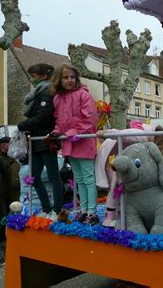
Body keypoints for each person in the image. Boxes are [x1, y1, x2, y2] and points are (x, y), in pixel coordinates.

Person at [50, 64, 99, 224]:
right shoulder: (57, 98)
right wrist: (56, 132)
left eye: (72, 77)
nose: (70, 80)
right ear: (59, 79)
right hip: (70, 142)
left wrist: (69, 133)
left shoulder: (83, 95)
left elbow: (90, 119)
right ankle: (84, 209)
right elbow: (59, 120)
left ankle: (92, 211)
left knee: (88, 177)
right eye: (66, 77)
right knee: (79, 178)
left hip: (83, 141)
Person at [17, 63, 63, 214]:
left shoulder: (47, 93)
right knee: (34, 177)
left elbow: (42, 117)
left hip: (46, 139)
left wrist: (22, 125)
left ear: (43, 76)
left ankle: (56, 210)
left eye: (33, 76)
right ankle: (47, 208)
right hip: (37, 140)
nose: (31, 79)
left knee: (53, 176)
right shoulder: (40, 93)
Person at [0, 136, 21, 211]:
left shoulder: (10, 155)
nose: (12, 147)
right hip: (3, 187)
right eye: (10, 144)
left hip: (10, 187)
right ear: (3, 145)